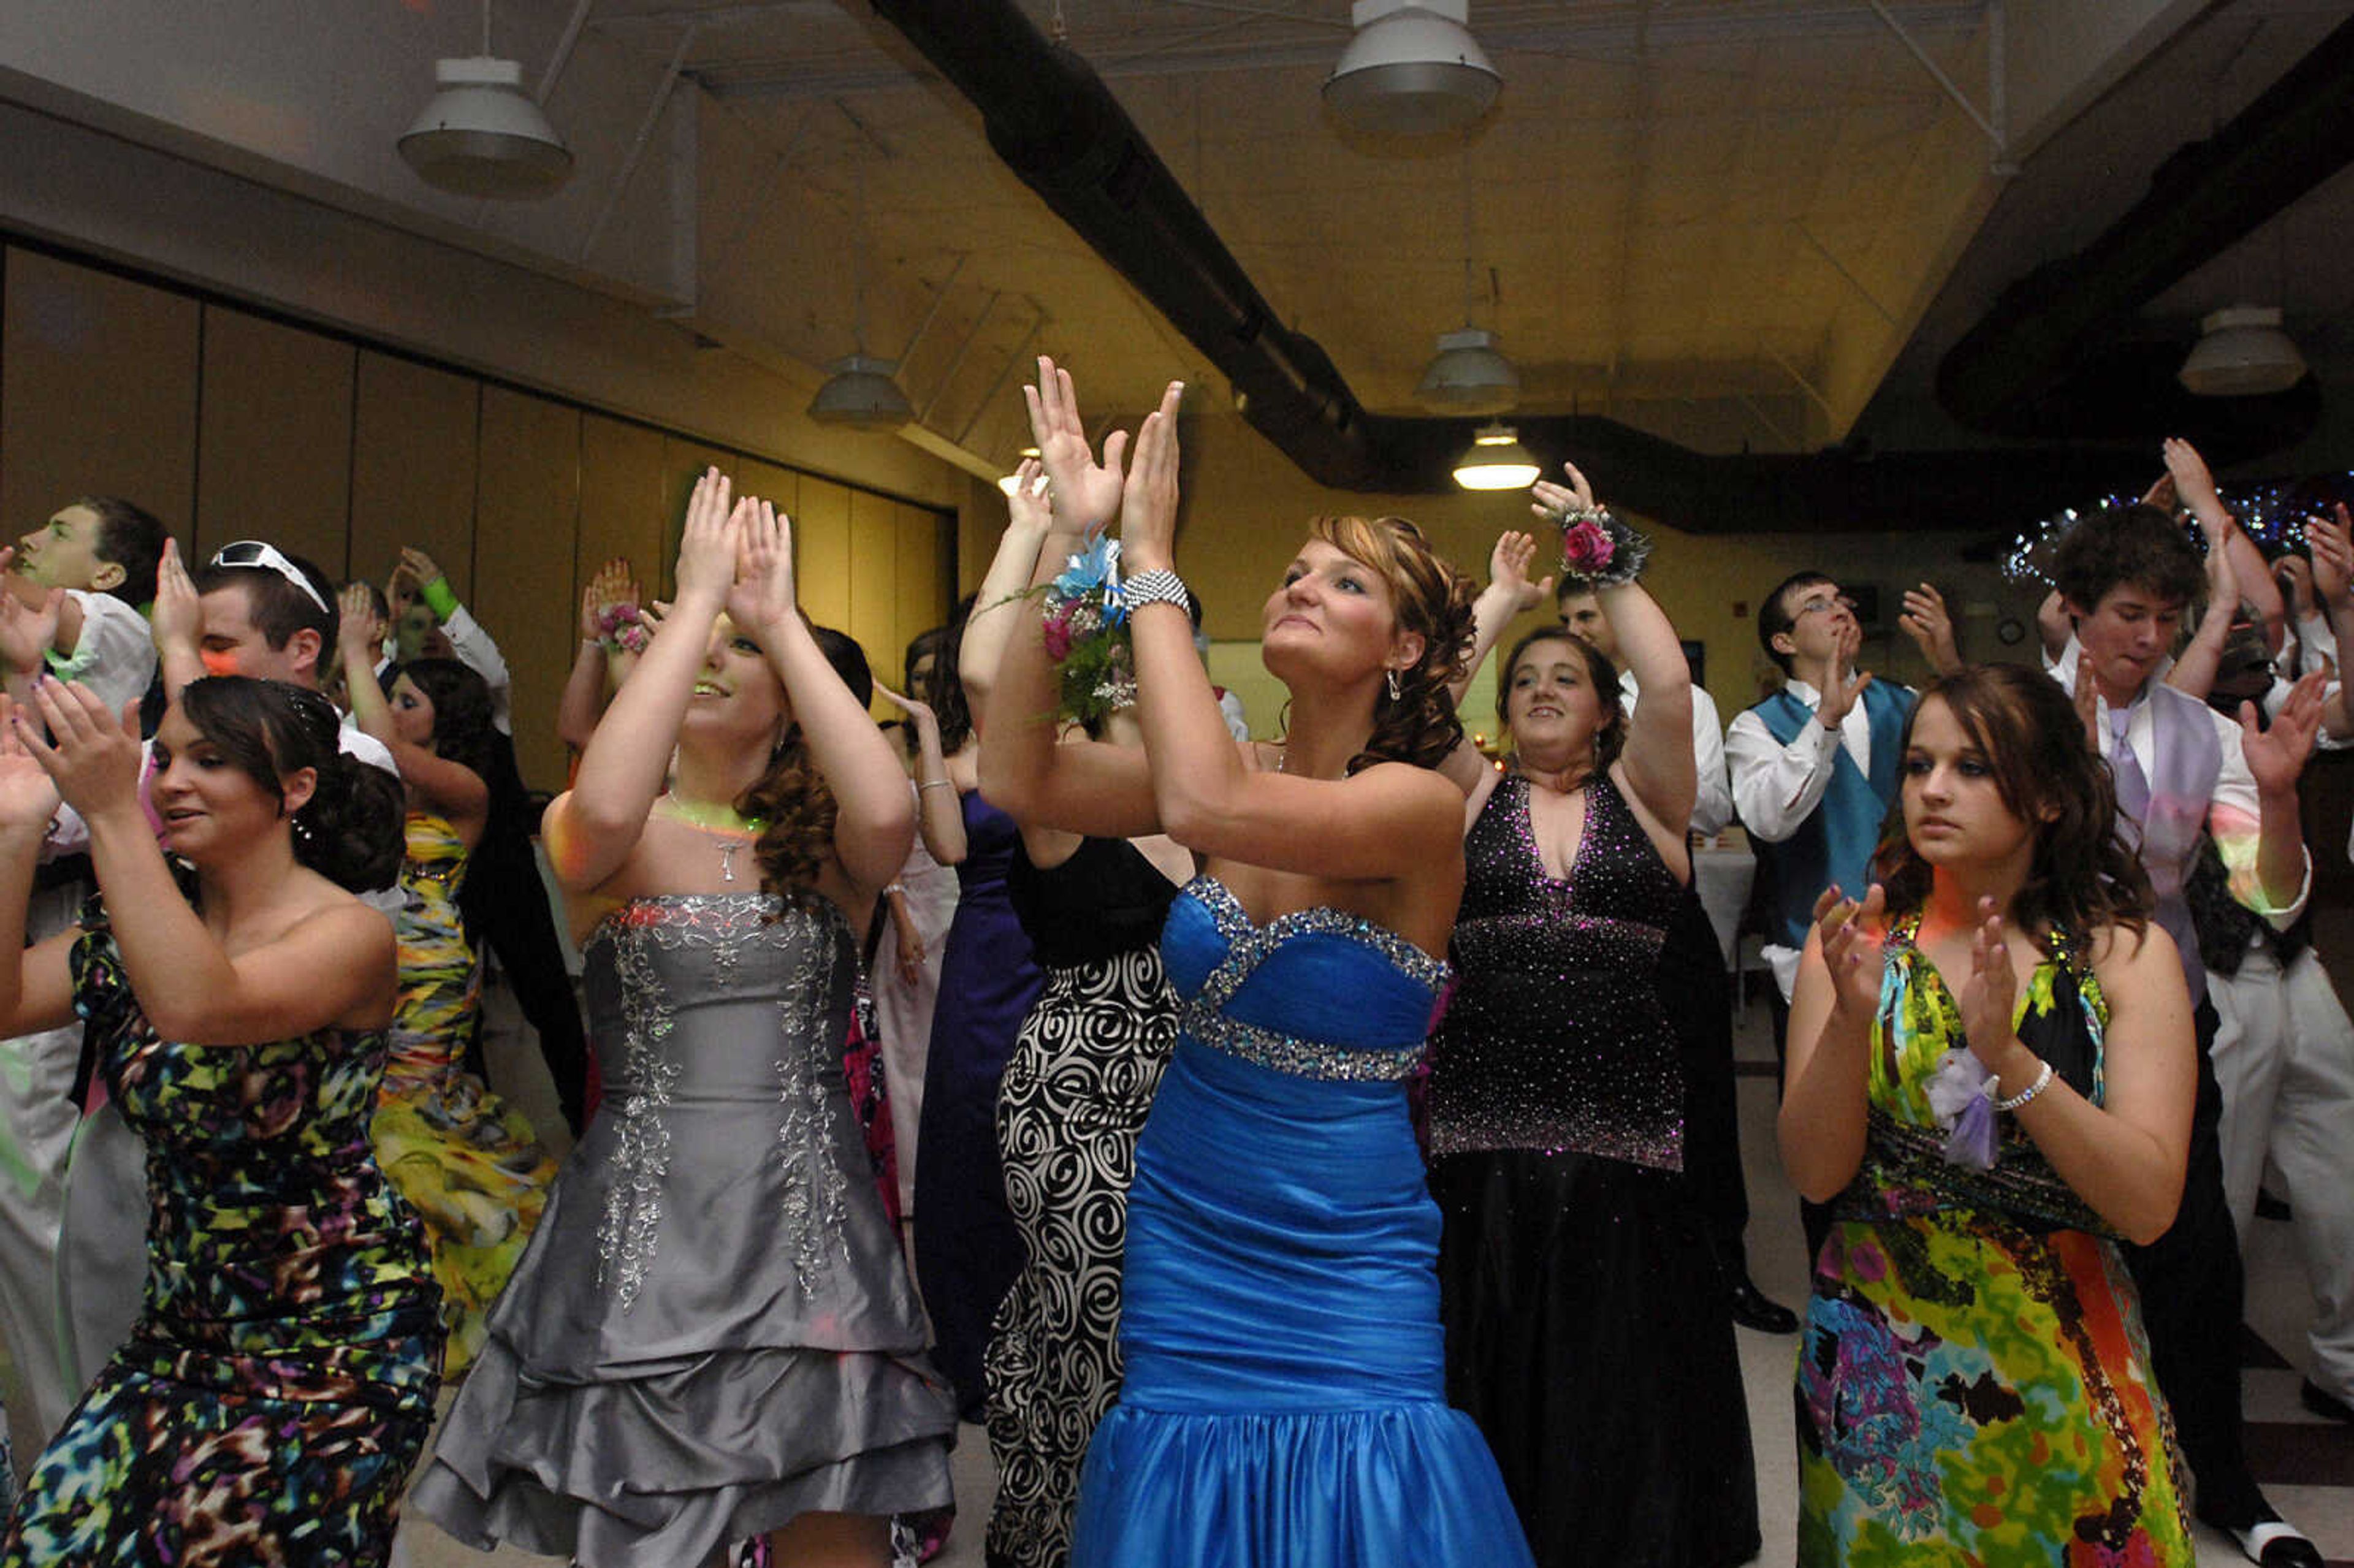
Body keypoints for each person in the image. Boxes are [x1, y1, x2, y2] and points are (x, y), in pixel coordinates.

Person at [983, 359, 1531, 1567]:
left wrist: (1153, 557)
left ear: (1404, 649)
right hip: (1190, 1213)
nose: (1300, 583)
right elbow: (1018, 771)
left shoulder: (1416, 808)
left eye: (1345, 581)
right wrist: (1080, 550)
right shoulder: (1257, 774)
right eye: (1294, 569)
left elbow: (1198, 794)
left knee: (1371, 1491)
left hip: (1349, 1240)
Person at [410, 470, 954, 1568]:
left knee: (830, 1521)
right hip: (646, 1231)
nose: (711, 658)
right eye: (691, 644)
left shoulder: (827, 848)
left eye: (737, 655)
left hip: (810, 1232)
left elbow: (894, 808)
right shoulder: (610, 835)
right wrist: (700, 601)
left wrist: (776, 619)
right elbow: (604, 803)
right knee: (653, 1529)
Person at [0, 674, 438, 1565]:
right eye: (160, 758)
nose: (168, 781)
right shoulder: (141, 925)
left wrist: (111, 816)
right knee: (53, 1544)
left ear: (296, 788)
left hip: (333, 1339)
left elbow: (201, 1006)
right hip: (179, 1331)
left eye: (210, 760)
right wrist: (15, 834)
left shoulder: (349, 935)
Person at [1780, 663, 2195, 1561]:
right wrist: (1852, 1022)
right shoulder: (1856, 947)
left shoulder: (2124, 954)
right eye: (1919, 763)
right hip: (1880, 1362)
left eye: (1973, 768)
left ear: (2046, 795)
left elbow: (2150, 1204)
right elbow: (1815, 1173)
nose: (1933, 788)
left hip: (2062, 1362)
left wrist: (2011, 1059)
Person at [1426, 480, 1756, 1567]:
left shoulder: (1650, 794)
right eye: (1525, 678)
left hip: (1627, 1131)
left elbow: (1668, 675)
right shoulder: (1470, 794)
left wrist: (1603, 554)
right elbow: (1424, 706)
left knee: (1619, 1370)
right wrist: (1502, 600)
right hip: (1485, 1127)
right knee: (1494, 1351)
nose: (1542, 687)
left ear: (1604, 707)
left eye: (1566, 673)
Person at [2049, 501, 2325, 1568]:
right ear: (2074, 612)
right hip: (2039, 1006)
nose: (2148, 638)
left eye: (2167, 616)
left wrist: (2278, 797)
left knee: (2195, 1244)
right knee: (2061, 1238)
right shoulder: (2015, 716)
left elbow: (2274, 895)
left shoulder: (2201, 730)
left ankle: (2227, 1475)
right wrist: (2065, 764)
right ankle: (2070, 1460)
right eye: (2127, 613)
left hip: (2165, 1005)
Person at [976, 501, 1192, 1567]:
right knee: (1096, 1325)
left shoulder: (1209, 798)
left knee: (1170, 1344)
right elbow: (984, 676)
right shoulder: (1057, 789)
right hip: (1078, 1093)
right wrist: (1055, 537)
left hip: (1199, 1101)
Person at [1558, 559, 1792, 1333]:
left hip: (1664, 903)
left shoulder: (1679, 700)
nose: (1580, 634)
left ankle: (1724, 1265)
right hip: (1578, 917)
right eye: (1571, 622)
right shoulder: (1551, 705)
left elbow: (1711, 804)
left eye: (1592, 620)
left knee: (1701, 1093)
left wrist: (1639, 764)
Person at [337, 607, 558, 1377]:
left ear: (447, 717)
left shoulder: (463, 788)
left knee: (411, 1108)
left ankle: (442, 1276)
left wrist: (359, 654)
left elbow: (379, 746)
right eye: (389, 697)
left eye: (408, 699)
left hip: (428, 966)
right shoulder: (367, 791)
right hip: (358, 953)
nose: (392, 711)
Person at [0, 495, 166, 1444]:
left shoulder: (114, 626)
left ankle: (70, 1453)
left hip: (57, 925)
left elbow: (44, 606)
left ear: (106, 572)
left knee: (33, 1206)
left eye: (61, 533)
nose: (33, 540)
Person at [1726, 570, 1917, 1260]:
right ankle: (1836, 1292)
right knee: (1825, 1142)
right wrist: (1826, 722)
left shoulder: (1910, 705)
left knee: (1916, 1133)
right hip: (1808, 960)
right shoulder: (1758, 725)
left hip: (1917, 949)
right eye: (1816, 605)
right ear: (1784, 640)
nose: (1838, 609)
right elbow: (1769, 818)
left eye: (1843, 599)